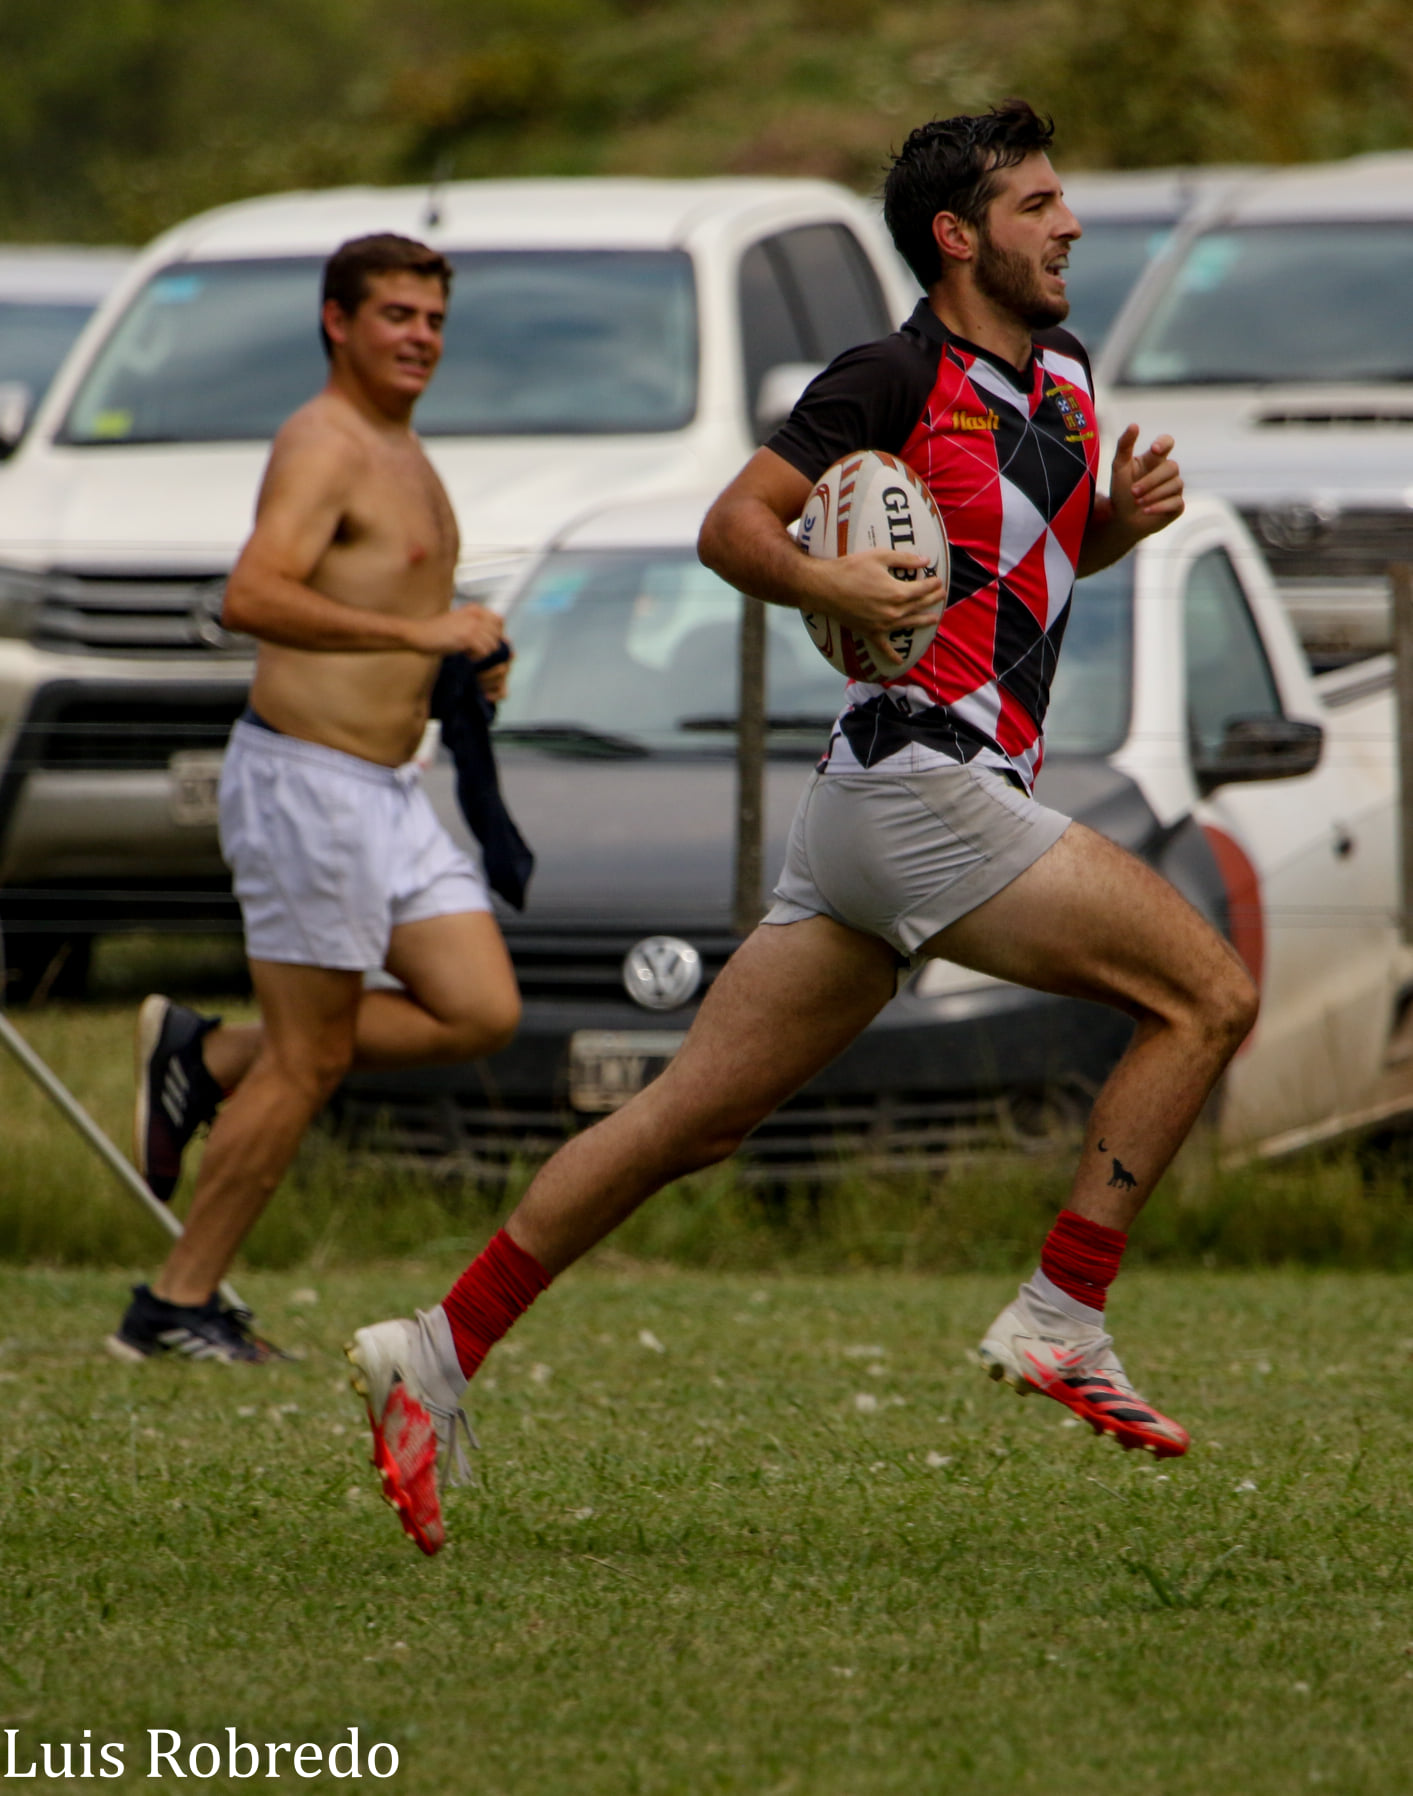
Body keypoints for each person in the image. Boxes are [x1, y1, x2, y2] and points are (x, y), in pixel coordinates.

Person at [346, 103, 1258, 1556]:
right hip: (921, 785)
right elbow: (733, 527)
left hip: (868, 811)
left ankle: (435, 1351)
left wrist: (1117, 529)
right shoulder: (889, 374)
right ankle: (1061, 1313)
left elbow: (1016, 556)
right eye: (1034, 205)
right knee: (1206, 994)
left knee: (683, 1121)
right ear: (957, 238)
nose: (1069, 224)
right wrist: (832, 594)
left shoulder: (1070, 380)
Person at [108, 233, 522, 1364]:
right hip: (306, 783)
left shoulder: (402, 448)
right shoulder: (323, 442)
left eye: (433, 319)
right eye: (396, 316)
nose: (419, 338)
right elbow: (252, 593)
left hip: (390, 787)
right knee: (313, 1059)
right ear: (337, 322)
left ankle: (207, 1058)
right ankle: (175, 1306)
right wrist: (418, 629)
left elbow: (383, 602)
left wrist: (461, 661)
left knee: (481, 1006)